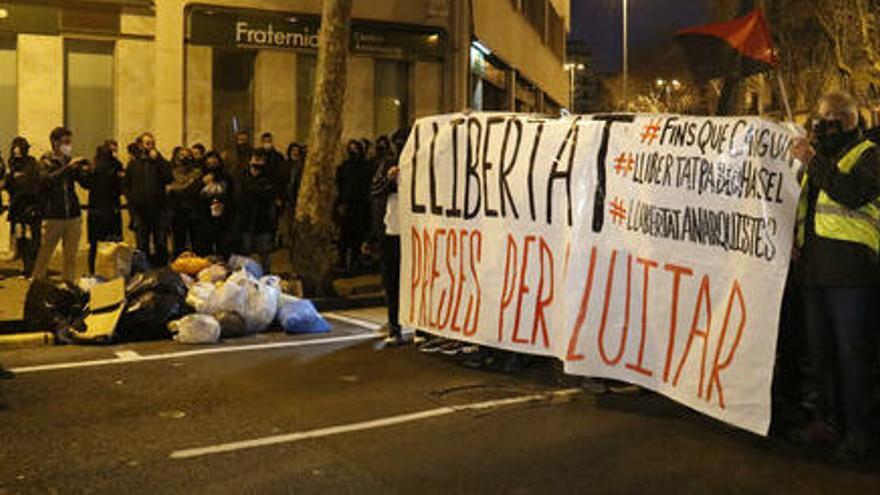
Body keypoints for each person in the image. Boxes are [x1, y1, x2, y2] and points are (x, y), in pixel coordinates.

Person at [791, 90, 880, 460]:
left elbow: (852, 192)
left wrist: (812, 160)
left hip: (852, 276)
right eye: (819, 121)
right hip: (814, 272)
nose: (824, 128)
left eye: (831, 122)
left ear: (850, 121)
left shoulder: (870, 155)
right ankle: (824, 423)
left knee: (852, 356)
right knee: (819, 353)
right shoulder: (821, 155)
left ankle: (860, 434)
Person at [32, 127, 91, 283]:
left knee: (71, 256)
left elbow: (86, 184)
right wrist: (67, 168)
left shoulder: (69, 162)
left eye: (69, 142)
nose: (68, 146)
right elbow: (46, 181)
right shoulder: (45, 161)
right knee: (45, 253)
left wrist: (86, 170)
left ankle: (69, 285)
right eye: (65, 142)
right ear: (55, 143)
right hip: (53, 216)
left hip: (73, 215)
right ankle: (37, 282)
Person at [371, 130, 408, 346]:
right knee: (392, 281)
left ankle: (421, 328)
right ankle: (395, 325)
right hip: (393, 232)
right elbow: (375, 192)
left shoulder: (422, 165)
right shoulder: (387, 165)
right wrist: (389, 180)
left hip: (417, 234)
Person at [124, 132, 172, 267]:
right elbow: (126, 185)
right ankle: (143, 271)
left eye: (152, 143)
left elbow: (169, 177)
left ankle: (161, 269)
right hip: (140, 211)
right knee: (142, 244)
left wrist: (158, 160)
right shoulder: (133, 164)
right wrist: (132, 199)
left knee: (160, 242)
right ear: (140, 145)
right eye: (147, 143)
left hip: (159, 210)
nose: (150, 146)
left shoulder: (160, 162)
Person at [82, 141, 124, 275]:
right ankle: (112, 273)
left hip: (96, 211)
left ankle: (94, 273)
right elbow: (121, 187)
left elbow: (86, 183)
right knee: (113, 244)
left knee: (95, 246)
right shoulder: (116, 166)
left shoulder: (93, 168)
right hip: (112, 210)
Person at [4, 137, 42, 276]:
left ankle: (34, 268)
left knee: (34, 238)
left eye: (19, 148)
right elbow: (8, 184)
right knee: (20, 238)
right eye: (15, 148)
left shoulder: (32, 163)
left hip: (32, 206)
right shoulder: (12, 164)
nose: (16, 151)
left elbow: (36, 183)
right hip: (17, 207)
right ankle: (27, 268)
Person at [236, 149, 277, 273]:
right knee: (245, 253)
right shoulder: (241, 176)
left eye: (261, 160)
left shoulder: (269, 178)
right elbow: (239, 196)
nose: (258, 162)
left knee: (264, 253)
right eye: (255, 159)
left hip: (263, 222)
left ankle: (265, 277)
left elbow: (269, 196)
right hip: (245, 221)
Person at [335, 140, 372, 274]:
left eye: (355, 149)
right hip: (347, 207)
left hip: (360, 207)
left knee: (357, 238)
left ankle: (356, 263)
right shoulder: (344, 167)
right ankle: (343, 262)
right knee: (344, 238)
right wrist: (340, 203)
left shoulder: (366, 167)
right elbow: (339, 186)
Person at [195, 152, 234, 257]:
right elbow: (193, 194)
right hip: (204, 219)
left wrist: (224, 206)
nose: (212, 163)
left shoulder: (226, 178)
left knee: (223, 250)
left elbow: (233, 196)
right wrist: (201, 183)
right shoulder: (200, 177)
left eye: (215, 161)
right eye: (209, 161)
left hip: (223, 219)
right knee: (205, 250)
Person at [167, 146, 202, 257]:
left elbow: (193, 189)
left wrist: (177, 188)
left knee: (196, 241)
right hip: (177, 211)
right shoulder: (172, 173)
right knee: (178, 242)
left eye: (187, 155)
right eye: (182, 155)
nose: (185, 158)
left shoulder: (197, 173)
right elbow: (168, 189)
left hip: (194, 210)